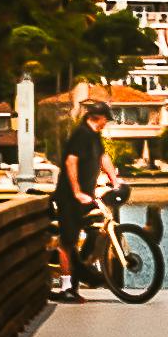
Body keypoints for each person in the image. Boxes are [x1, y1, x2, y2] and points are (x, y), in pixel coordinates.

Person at [51, 86, 113, 297]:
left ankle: (84, 276)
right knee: (66, 243)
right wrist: (76, 191)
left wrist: (116, 180)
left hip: (86, 196)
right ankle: (66, 287)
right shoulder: (81, 134)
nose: (106, 123)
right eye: (106, 119)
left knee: (92, 231)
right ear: (98, 117)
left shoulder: (95, 136)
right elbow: (70, 162)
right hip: (69, 197)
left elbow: (104, 159)